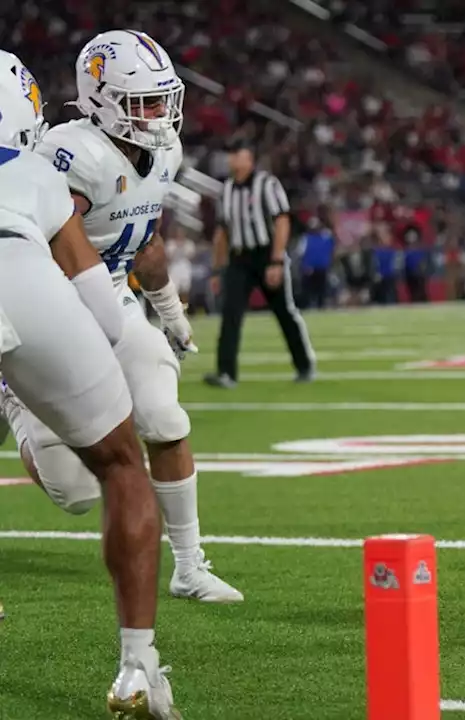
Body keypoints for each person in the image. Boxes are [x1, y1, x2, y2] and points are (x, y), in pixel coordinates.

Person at [4, 29, 243, 603]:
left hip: (112, 295)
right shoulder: (68, 155)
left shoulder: (166, 152)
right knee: (78, 492)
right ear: (101, 98)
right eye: (145, 102)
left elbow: (146, 240)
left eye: (164, 99)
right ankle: (15, 400)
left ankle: (189, 565)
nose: (160, 113)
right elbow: (35, 241)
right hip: (52, 308)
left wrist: (170, 311)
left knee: (165, 419)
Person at [0, 48, 181, 718]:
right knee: (121, 465)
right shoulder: (40, 177)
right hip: (21, 269)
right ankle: (137, 665)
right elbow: (101, 309)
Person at [205, 139, 315, 387]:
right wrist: (216, 268)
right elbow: (222, 232)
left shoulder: (267, 184)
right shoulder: (227, 189)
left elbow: (282, 221)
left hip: (265, 255)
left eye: (236, 155)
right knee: (230, 313)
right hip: (239, 257)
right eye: (230, 155)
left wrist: (276, 260)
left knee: (284, 312)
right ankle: (226, 372)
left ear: (249, 159)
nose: (232, 160)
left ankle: (304, 365)